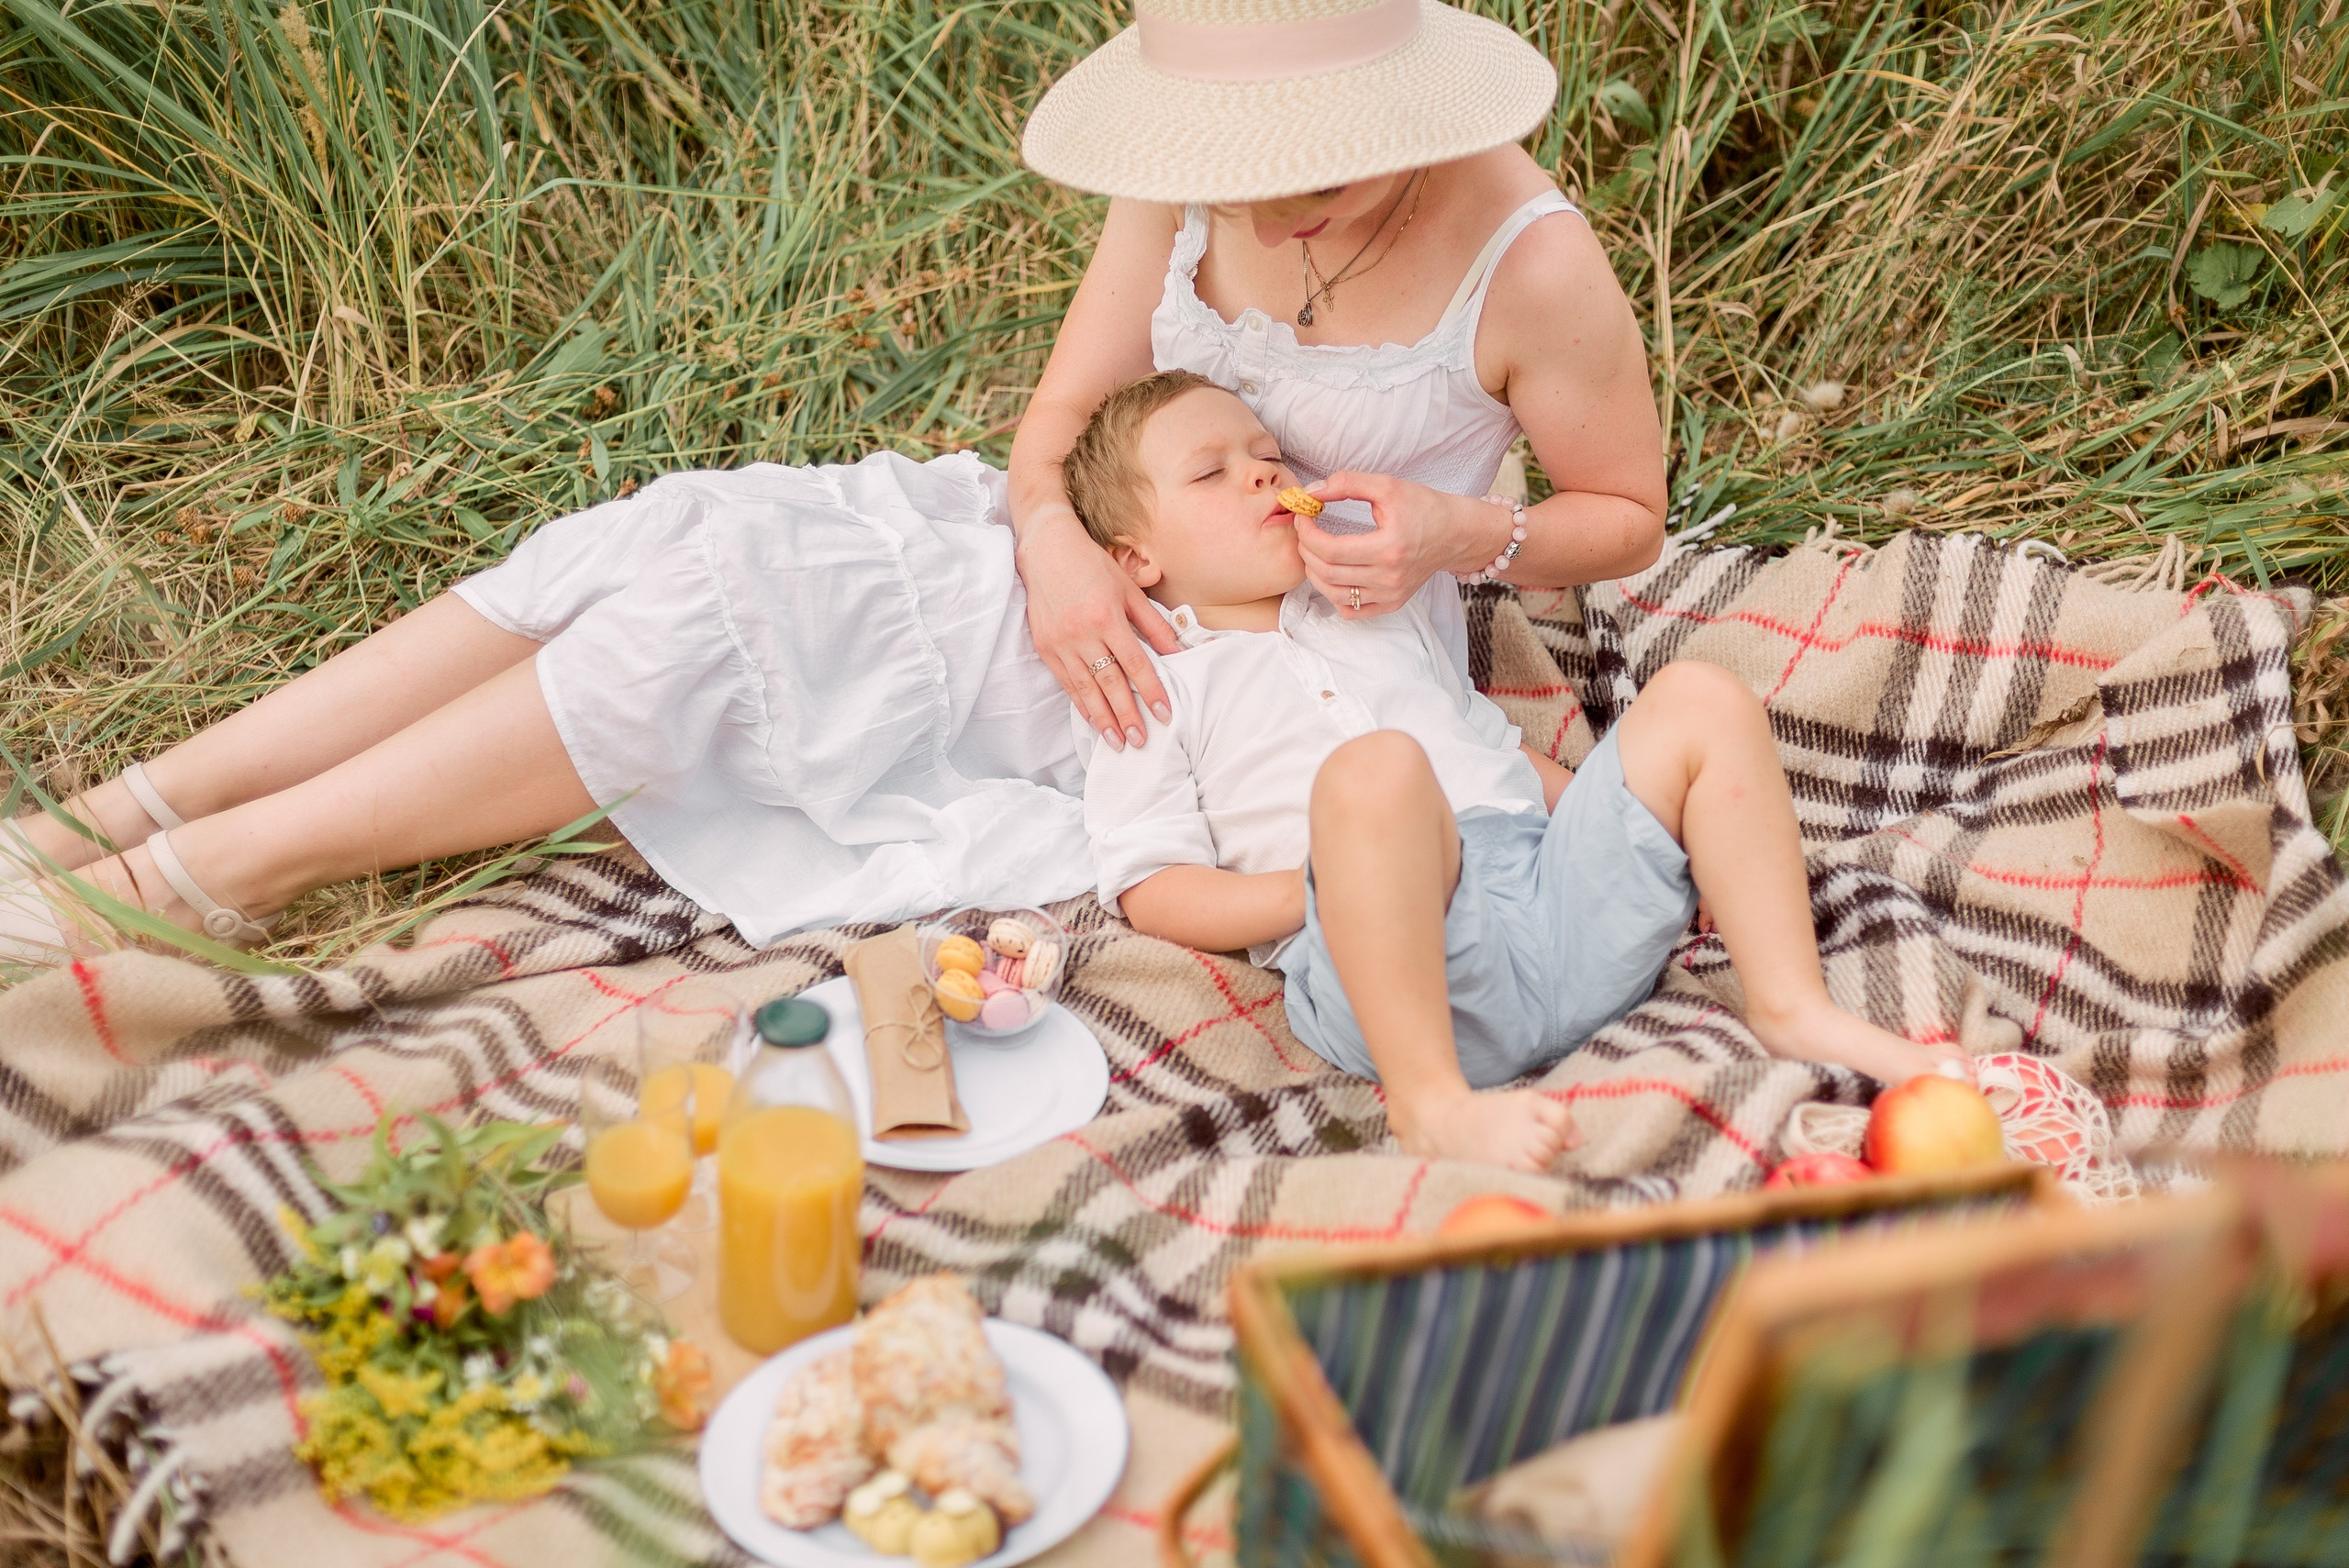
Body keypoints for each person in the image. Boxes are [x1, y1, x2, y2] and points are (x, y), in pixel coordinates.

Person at [1, 0, 1666, 964]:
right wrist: (1053, 543)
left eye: (1325, 162)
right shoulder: (1200, 168)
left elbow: (1625, 519)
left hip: (1239, 643)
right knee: (685, 538)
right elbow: (1058, 422)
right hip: (1085, 553)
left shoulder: (1530, 262)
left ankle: (222, 871)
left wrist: (1458, 530)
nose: (1278, 203)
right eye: (1252, 169)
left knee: (707, 640)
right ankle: (132, 803)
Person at [1064, 372, 1953, 1172]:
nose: (1261, 473)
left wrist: (1631, 812)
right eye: (1211, 473)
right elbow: (1152, 886)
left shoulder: (1369, 607)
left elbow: (1484, 743)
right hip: (1400, 973)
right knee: (1375, 770)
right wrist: (1337, 889)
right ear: (1136, 557)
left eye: (1264, 453)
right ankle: (1432, 1104)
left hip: (1554, 897)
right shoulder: (1153, 682)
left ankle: (1791, 1004)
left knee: (1698, 698)